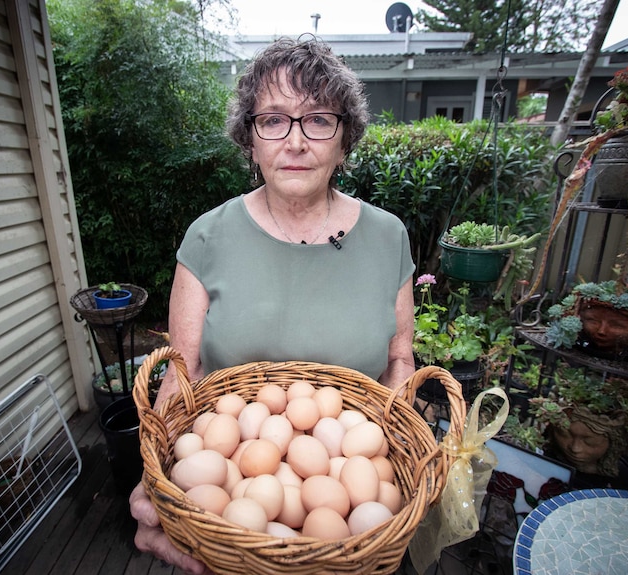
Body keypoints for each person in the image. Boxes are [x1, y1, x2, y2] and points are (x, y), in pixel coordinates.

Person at [130, 36, 416, 573]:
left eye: (318, 120)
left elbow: (401, 361)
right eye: (274, 120)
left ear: (344, 137)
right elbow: (182, 369)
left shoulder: (388, 236)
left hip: (352, 540)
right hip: (230, 535)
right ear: (251, 139)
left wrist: (397, 457)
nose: (296, 141)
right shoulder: (208, 237)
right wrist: (160, 476)